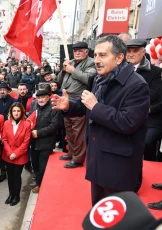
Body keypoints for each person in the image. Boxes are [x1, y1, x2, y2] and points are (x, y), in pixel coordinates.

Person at [51, 35, 149, 206]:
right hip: (97, 159)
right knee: (98, 212)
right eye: (95, 55)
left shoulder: (137, 85)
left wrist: (96, 107)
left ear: (119, 58)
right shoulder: (101, 79)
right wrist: (69, 106)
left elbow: (127, 122)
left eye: (102, 55)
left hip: (118, 167)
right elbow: (88, 107)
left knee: (116, 218)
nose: (96, 60)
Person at [56, 41, 97, 168]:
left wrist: (72, 70)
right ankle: (71, 153)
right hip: (66, 99)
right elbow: (59, 80)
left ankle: (78, 159)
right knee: (69, 130)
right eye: (75, 51)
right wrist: (64, 70)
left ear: (86, 51)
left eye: (80, 50)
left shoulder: (91, 62)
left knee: (78, 131)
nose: (77, 53)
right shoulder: (71, 62)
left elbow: (89, 78)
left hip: (79, 100)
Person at [125, 39, 162, 161]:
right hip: (124, 116)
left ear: (143, 51)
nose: (131, 54)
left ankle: (148, 167)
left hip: (149, 119)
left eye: (135, 51)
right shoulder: (117, 71)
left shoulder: (155, 71)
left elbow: (153, 94)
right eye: (128, 51)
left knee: (146, 143)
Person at [29, 89, 62, 193]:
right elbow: (29, 120)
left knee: (43, 165)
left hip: (46, 142)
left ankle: (40, 184)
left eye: (43, 97)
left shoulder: (54, 109)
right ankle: (38, 180)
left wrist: (38, 133)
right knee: (35, 163)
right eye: (39, 97)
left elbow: (54, 126)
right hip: (34, 141)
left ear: (48, 97)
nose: (41, 99)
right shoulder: (34, 106)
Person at [1, 103, 31, 206]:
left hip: (20, 155)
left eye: (18, 111)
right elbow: (4, 139)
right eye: (14, 111)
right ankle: (11, 194)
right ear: (11, 112)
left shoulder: (26, 124)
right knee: (10, 176)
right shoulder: (6, 123)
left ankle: (16, 196)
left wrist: (15, 154)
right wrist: (10, 153)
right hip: (8, 155)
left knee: (16, 176)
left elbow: (26, 143)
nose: (16, 113)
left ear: (21, 112)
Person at [0, 82, 17, 183]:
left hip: (11, 130)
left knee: (10, 151)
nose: (2, 92)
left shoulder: (14, 101)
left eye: (4, 90)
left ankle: (11, 171)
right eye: (0, 90)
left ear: (8, 91)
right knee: (0, 153)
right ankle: (3, 172)